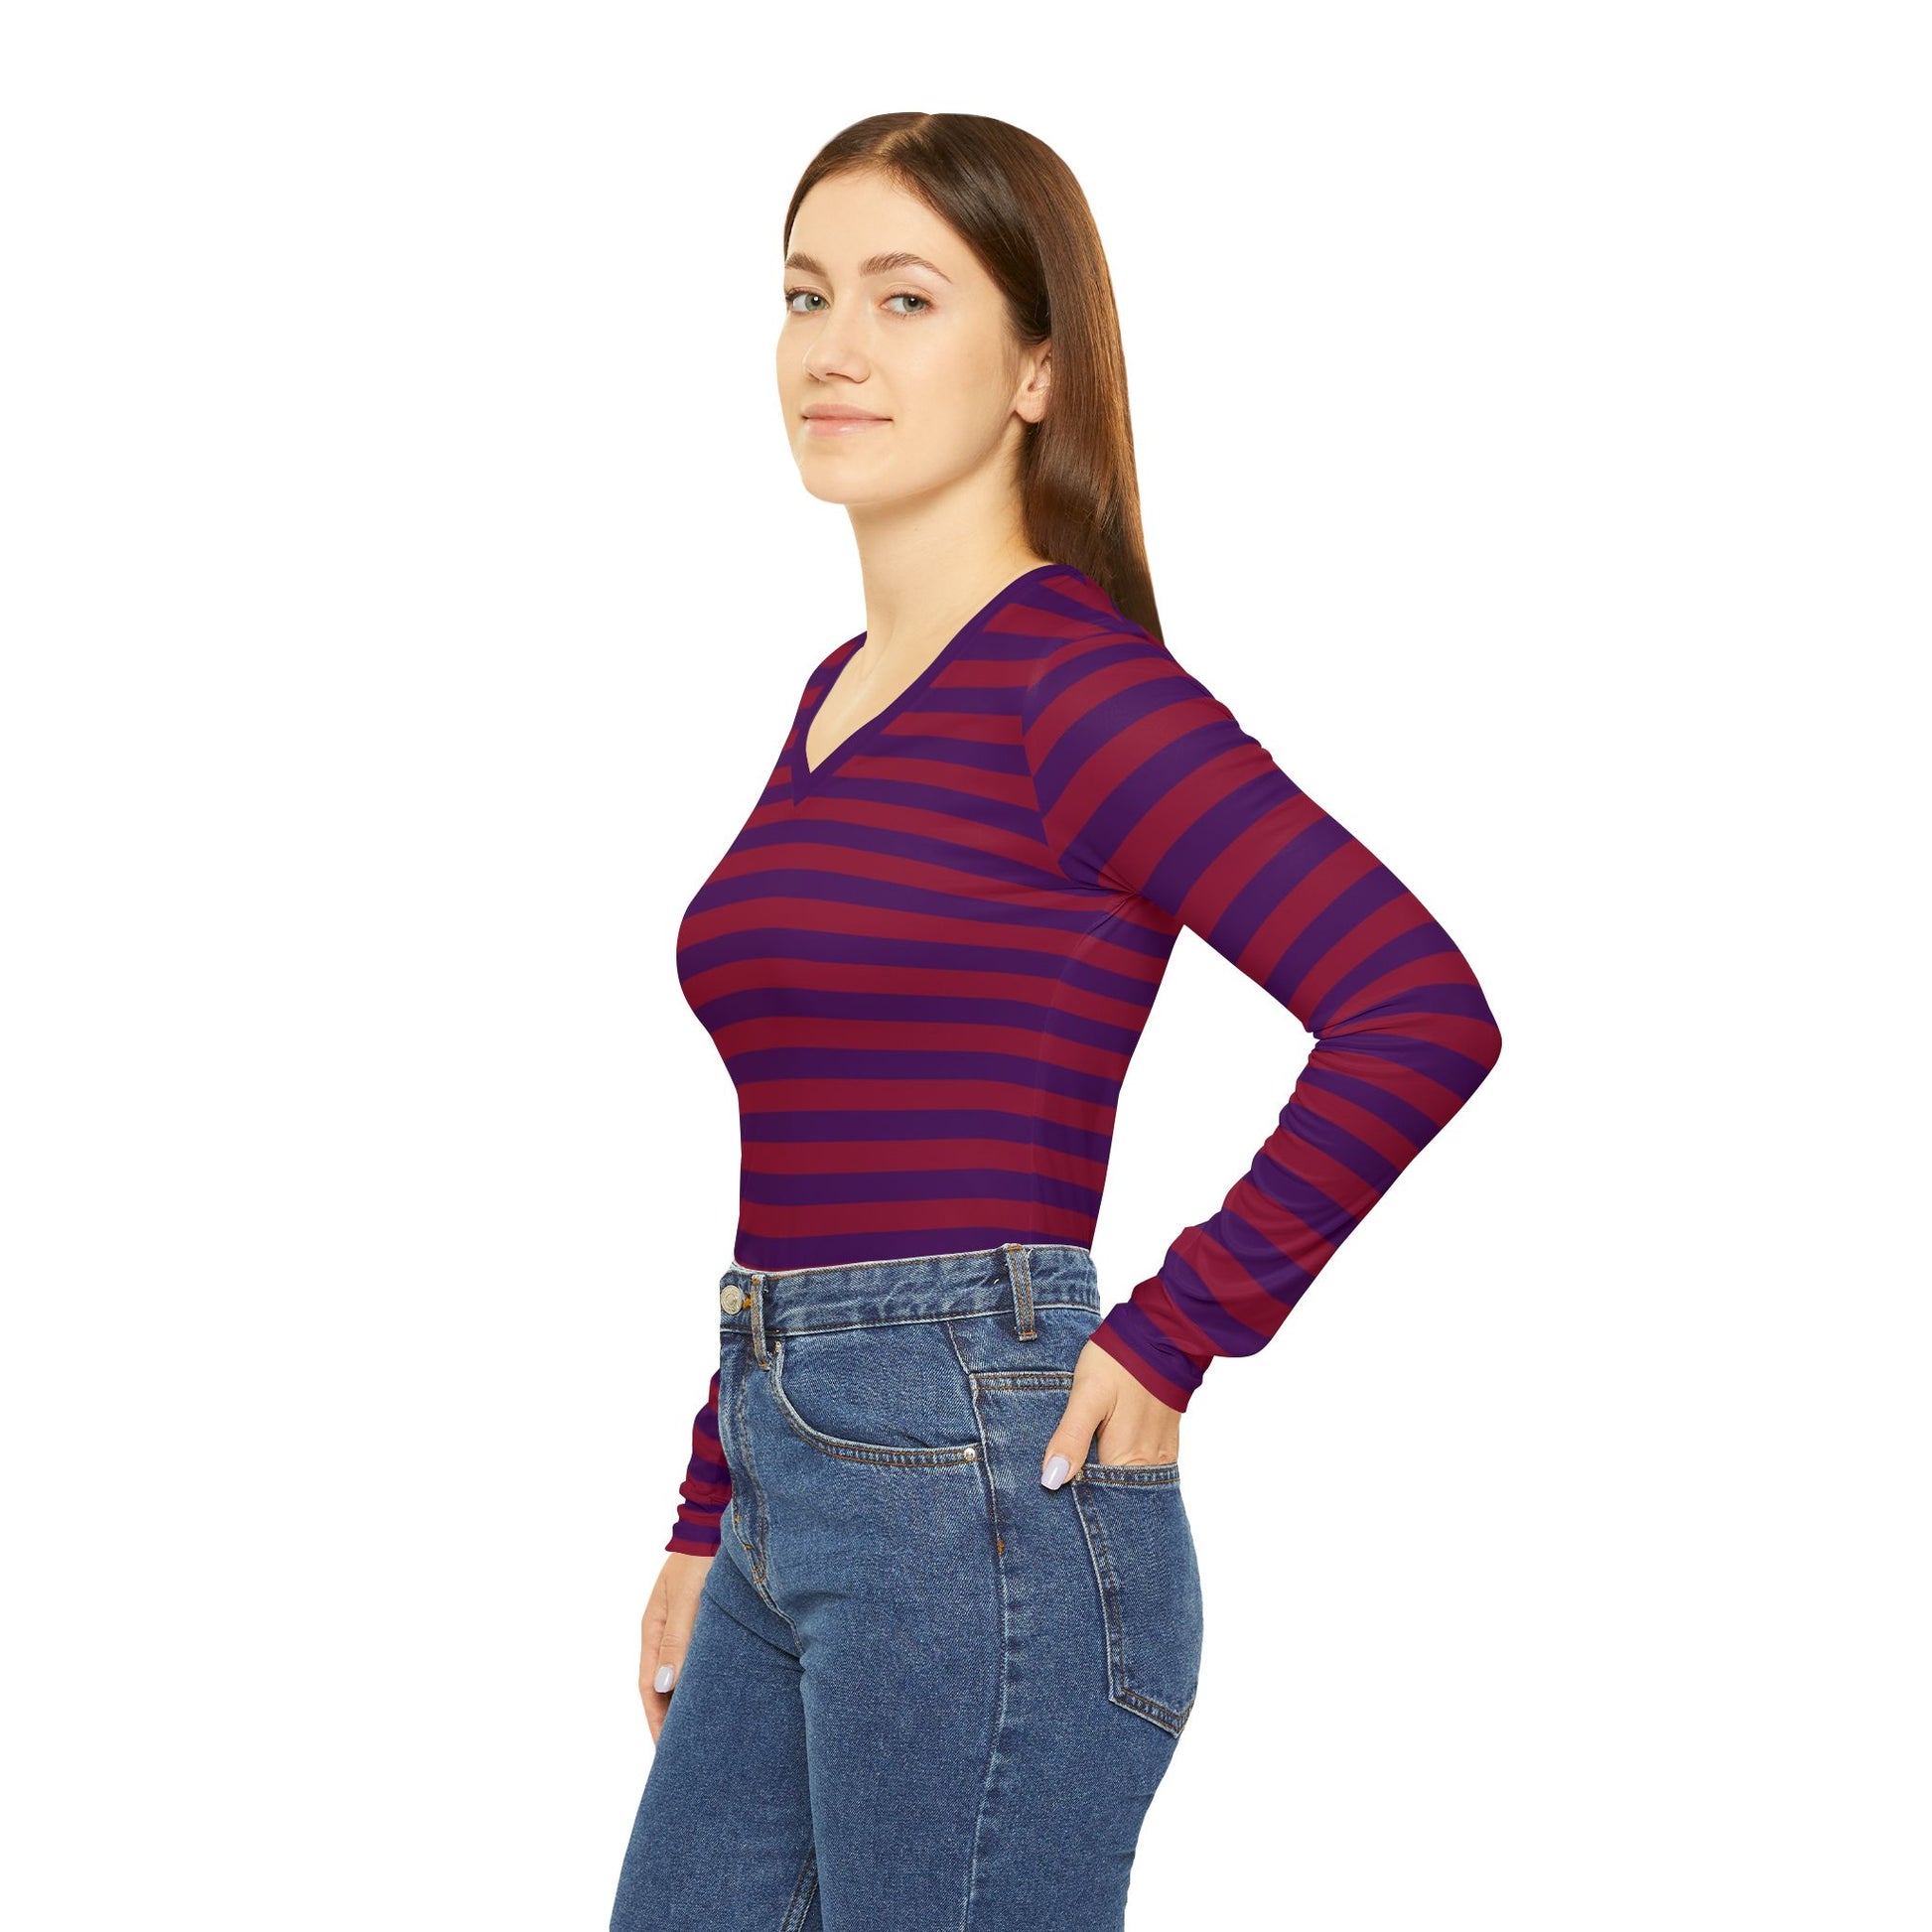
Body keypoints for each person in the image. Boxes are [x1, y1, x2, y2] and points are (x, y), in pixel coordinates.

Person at [610, 112, 1502, 1932]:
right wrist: (712, 1502)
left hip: (973, 1491)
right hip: (787, 1461)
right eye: (803, 295)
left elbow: (1413, 1007)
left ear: (1035, 369)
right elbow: (810, 1143)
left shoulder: (1071, 689)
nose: (833, 347)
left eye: (904, 298)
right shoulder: (837, 696)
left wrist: (1179, 1328)